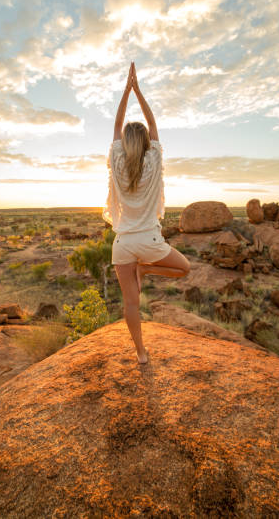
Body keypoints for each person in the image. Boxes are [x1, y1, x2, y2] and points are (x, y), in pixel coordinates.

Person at [102, 62, 191, 365]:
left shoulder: (116, 162)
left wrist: (125, 92)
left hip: (123, 243)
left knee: (131, 303)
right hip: (150, 241)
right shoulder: (153, 162)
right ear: (146, 143)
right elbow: (153, 125)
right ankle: (148, 269)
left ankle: (141, 353)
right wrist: (138, 90)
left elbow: (115, 127)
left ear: (125, 143)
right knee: (184, 269)